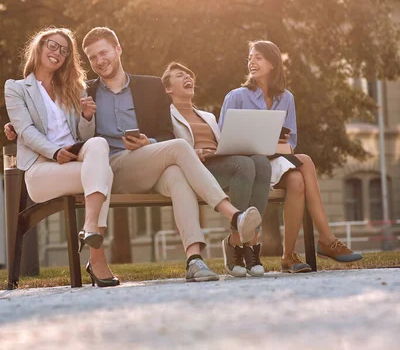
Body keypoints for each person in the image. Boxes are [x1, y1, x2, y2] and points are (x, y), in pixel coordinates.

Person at [81, 27, 262, 282]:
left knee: (176, 173)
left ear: (118, 49)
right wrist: (86, 117)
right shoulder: (85, 91)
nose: (99, 61)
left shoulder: (150, 85)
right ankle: (234, 215)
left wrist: (148, 141)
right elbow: (81, 141)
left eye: (103, 53)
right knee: (179, 147)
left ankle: (194, 260)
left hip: (146, 163)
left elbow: (165, 133)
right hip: (110, 170)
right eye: (92, 58)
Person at [219, 40, 363, 272]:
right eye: (250, 57)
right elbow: (225, 142)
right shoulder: (236, 97)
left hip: (275, 160)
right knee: (305, 163)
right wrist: (265, 142)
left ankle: (290, 255)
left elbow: (290, 144)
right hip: (248, 165)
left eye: (258, 57)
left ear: (273, 63)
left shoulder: (286, 98)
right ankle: (326, 240)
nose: (252, 62)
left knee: (298, 176)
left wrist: (272, 142)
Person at [4, 27, 118, 288]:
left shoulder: (72, 89)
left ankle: (89, 227)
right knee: (105, 174)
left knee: (98, 143)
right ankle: (97, 259)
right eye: (53, 46)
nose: (58, 53)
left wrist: (87, 117)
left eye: (64, 51)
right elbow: (26, 130)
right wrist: (54, 152)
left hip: (76, 160)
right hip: (42, 170)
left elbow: (82, 134)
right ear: (40, 47)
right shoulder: (17, 88)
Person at [161, 62, 272, 278]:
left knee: (261, 162)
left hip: (220, 162)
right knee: (244, 165)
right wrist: (194, 152)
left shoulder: (208, 116)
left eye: (188, 74)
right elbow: (168, 148)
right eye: (179, 75)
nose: (187, 77)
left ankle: (244, 242)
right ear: (168, 88)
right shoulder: (167, 116)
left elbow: (223, 144)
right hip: (196, 169)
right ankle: (238, 242)